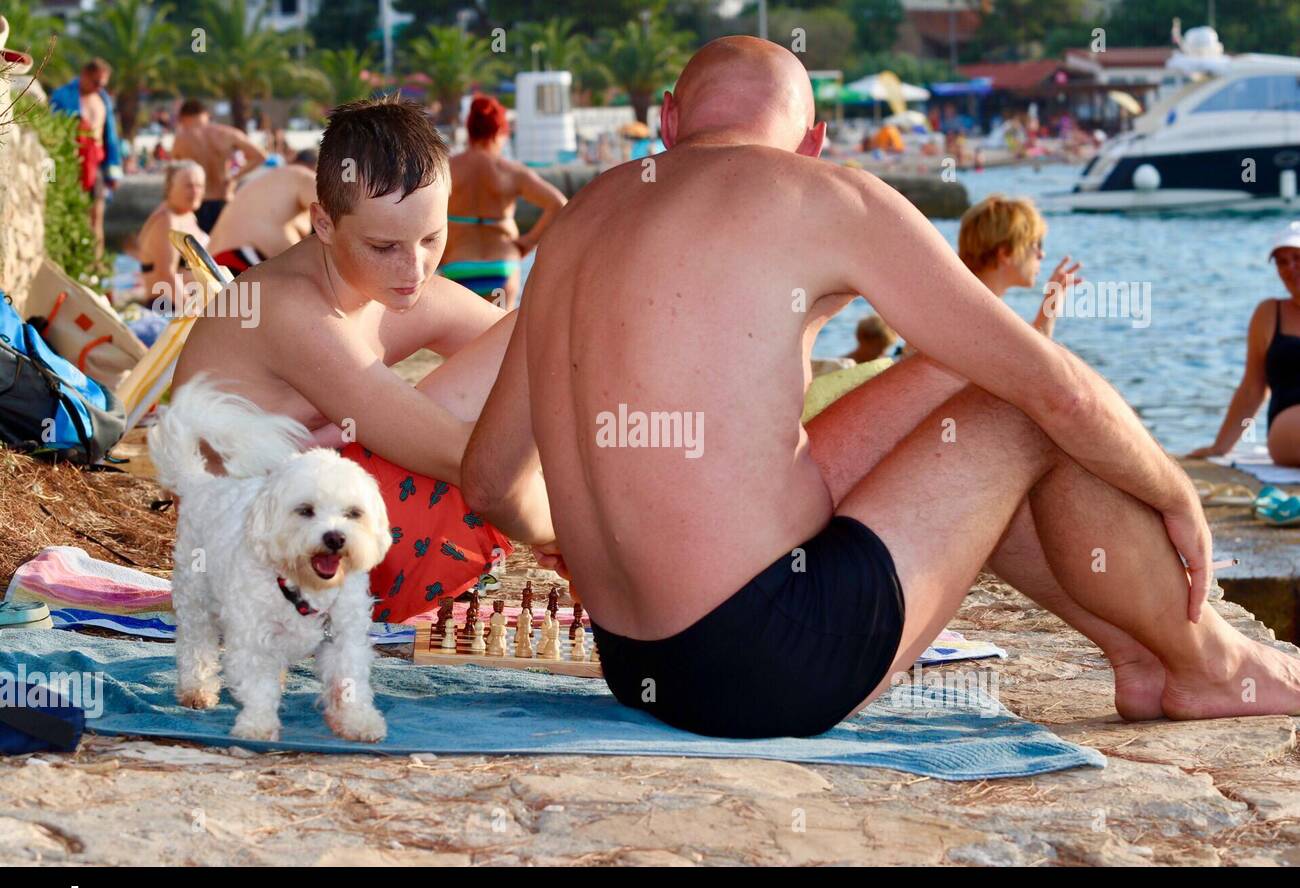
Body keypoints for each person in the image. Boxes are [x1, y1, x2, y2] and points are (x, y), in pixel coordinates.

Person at [462, 36, 1300, 740]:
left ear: (671, 122)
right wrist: (1174, 489)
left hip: (637, 663)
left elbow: (491, 480)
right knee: (1017, 407)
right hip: (773, 664)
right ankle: (1212, 663)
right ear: (814, 140)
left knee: (953, 396)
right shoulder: (823, 195)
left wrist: (589, 538)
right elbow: (1061, 394)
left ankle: (1140, 654)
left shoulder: (578, 223)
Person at [173, 97, 554, 623]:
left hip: (313, 534)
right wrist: (566, 532)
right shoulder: (292, 311)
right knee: (539, 347)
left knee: (548, 327)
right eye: (383, 245)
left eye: (431, 237)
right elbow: (468, 460)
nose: (413, 267)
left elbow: (550, 362)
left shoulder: (388, 281)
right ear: (323, 224)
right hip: (266, 575)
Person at [439, 95, 567, 308]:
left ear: (469, 131)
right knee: (501, 337)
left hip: (458, 265)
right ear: (500, 132)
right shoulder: (512, 171)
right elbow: (558, 204)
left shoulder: (446, 169)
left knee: (462, 340)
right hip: (502, 266)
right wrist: (529, 241)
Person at [1189, 223, 1300, 466]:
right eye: (1282, 262)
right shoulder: (1270, 313)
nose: (1290, 268)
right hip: (1290, 424)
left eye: (1297, 258)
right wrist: (1220, 446)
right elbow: (1252, 388)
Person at [957, 193, 1081, 338]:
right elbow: (1031, 357)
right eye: (1036, 244)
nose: (1042, 254)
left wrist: (1051, 304)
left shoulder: (965, 304)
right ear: (1006, 254)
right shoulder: (983, 318)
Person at [49, 58, 123, 256]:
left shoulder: (103, 100)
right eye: (96, 82)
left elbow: (111, 137)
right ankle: (71, 258)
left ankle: (96, 265)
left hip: (96, 165)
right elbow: (52, 129)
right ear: (84, 75)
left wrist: (113, 172)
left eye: (103, 84)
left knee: (97, 217)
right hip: (71, 164)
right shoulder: (62, 96)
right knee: (72, 213)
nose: (99, 87)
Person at [208, 149, 319, 276]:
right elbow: (338, 212)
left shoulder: (271, 179)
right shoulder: (303, 176)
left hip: (215, 264)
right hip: (242, 260)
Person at [172, 99, 267, 235]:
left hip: (197, 202)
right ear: (206, 114)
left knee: (198, 254)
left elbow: (175, 171)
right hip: (225, 199)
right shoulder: (227, 133)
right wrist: (234, 177)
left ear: (184, 117)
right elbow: (260, 156)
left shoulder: (182, 139)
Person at [133, 160, 207, 313]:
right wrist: (196, 313)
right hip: (169, 308)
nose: (195, 191)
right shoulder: (166, 220)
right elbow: (166, 274)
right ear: (170, 189)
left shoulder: (187, 215)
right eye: (188, 186)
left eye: (199, 186)